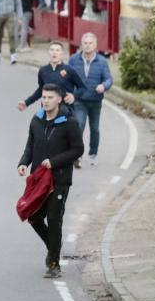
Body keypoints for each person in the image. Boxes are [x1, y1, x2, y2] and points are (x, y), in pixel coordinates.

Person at [17, 85, 84, 278]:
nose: (45, 100)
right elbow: (30, 145)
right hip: (39, 179)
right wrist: (23, 162)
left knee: (54, 220)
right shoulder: (37, 120)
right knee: (34, 217)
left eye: (50, 97)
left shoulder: (69, 122)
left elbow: (77, 150)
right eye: (44, 97)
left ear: (59, 99)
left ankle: (54, 263)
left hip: (59, 179)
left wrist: (53, 162)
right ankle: (54, 245)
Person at [68, 32, 113, 167]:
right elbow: (67, 76)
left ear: (95, 45)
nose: (87, 46)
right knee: (79, 125)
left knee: (94, 129)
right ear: (81, 45)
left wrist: (103, 86)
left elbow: (109, 79)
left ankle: (93, 154)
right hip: (79, 100)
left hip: (95, 100)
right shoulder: (74, 59)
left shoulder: (101, 61)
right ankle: (78, 155)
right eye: (85, 43)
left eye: (90, 43)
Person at [17, 41, 84, 112]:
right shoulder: (43, 70)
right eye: (52, 50)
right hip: (47, 111)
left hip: (65, 110)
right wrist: (26, 102)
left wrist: (74, 96)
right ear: (48, 52)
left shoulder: (69, 70)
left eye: (57, 50)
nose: (54, 53)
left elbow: (82, 88)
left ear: (62, 53)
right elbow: (41, 90)